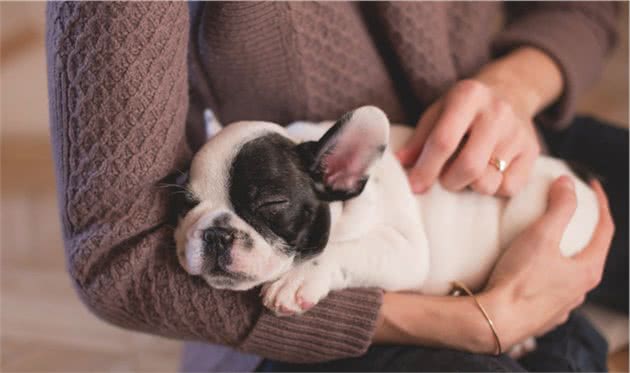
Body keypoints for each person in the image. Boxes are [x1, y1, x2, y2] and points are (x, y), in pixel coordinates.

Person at [46, 2, 626, 371]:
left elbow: (584, 11)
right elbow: (117, 257)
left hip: (504, 155)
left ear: (345, 172)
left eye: (265, 211)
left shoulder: (334, 171)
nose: (219, 233)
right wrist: (476, 324)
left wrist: (513, 88)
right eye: (191, 206)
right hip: (339, 301)